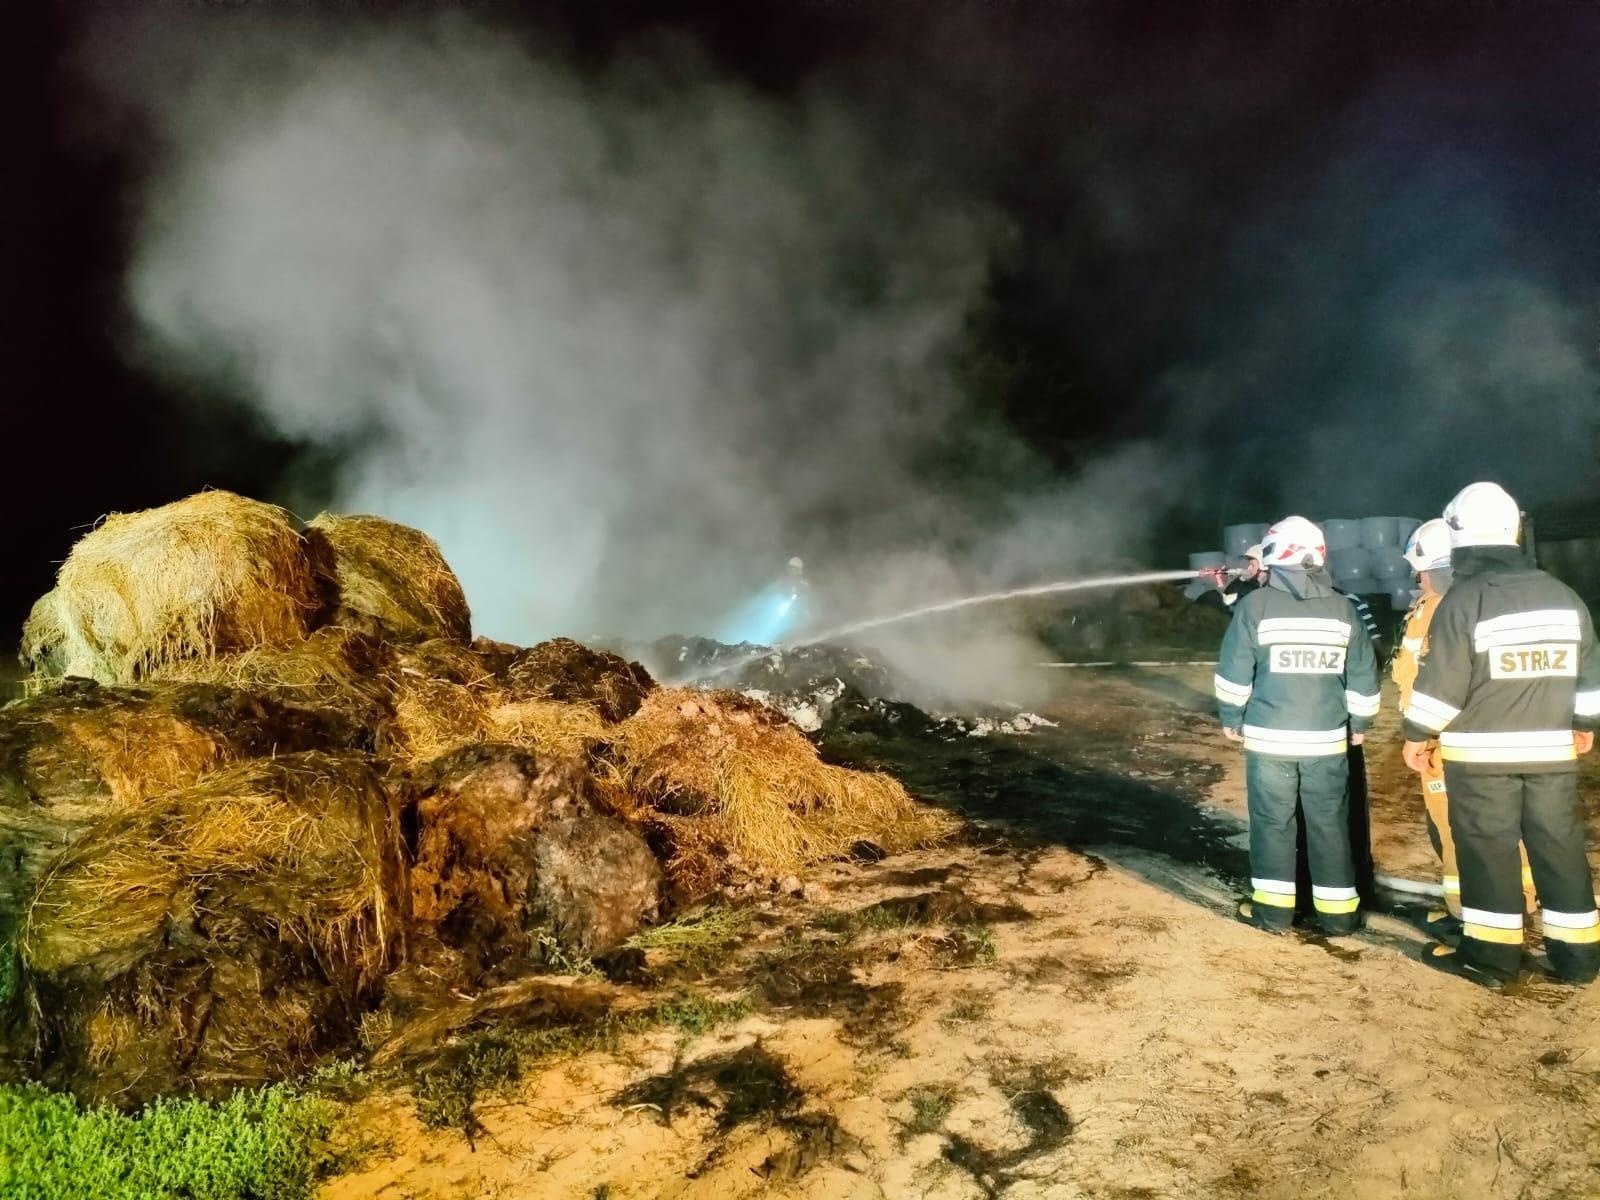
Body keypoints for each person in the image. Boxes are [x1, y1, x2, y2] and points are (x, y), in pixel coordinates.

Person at [1402, 482, 1600, 987]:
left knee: (1488, 853)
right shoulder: (1563, 596)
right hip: (1551, 756)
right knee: (1558, 850)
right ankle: (1578, 959)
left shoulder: (1465, 600)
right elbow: (1591, 677)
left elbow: (1442, 685)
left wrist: (1417, 734)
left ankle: (1492, 959)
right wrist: (1583, 725)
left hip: (1482, 759)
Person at [1214, 516, 1382, 934]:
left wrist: (1231, 717)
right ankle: (1339, 916)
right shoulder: (1343, 608)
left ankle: (1273, 913)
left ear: (1275, 554)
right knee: (1329, 823)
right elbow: (1363, 673)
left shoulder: (1256, 605)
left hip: (1270, 742)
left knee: (1273, 823)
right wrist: (1360, 722)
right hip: (1327, 741)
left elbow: (1235, 671)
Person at [1391, 517, 1536, 935]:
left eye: (1418, 568)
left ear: (1436, 566)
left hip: (1444, 742)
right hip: (1476, 736)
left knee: (1456, 830)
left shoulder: (1444, 609)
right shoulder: (1474, 602)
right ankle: (1519, 901)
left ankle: (1467, 913)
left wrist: (1424, 735)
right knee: (1506, 824)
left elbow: (1438, 679)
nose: (1416, 577)